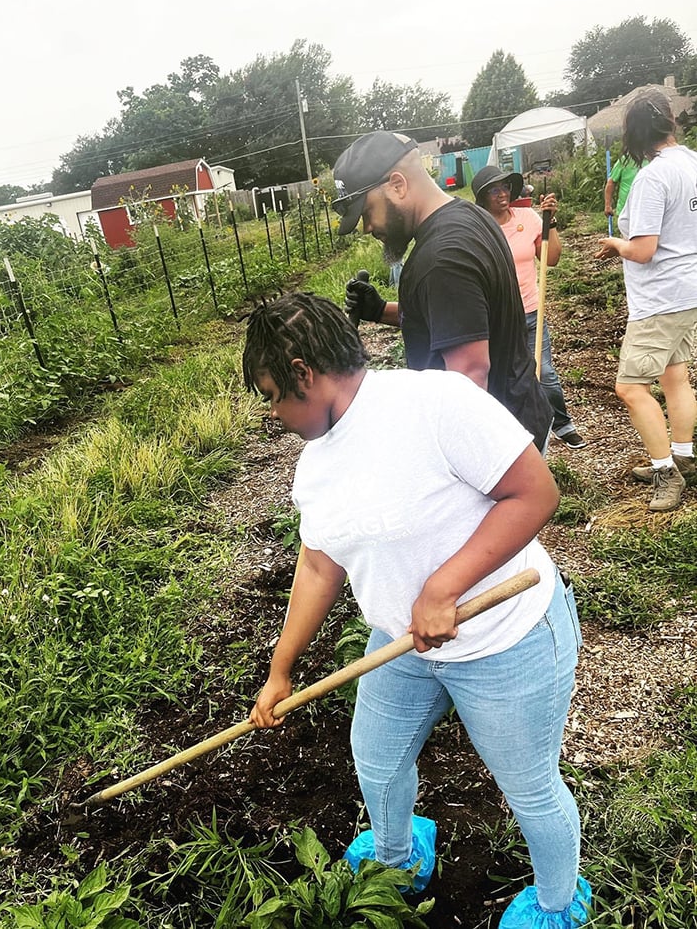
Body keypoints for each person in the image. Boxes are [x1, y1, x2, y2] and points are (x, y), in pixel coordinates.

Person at [243, 291, 592, 928]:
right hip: (400, 642)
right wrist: (280, 670)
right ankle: (400, 858)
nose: (274, 413)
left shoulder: (434, 403)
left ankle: (557, 903)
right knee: (376, 759)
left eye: (273, 394)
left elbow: (536, 492)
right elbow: (320, 563)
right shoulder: (316, 465)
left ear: (303, 373)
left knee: (531, 790)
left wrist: (443, 587)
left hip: (504, 639)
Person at [334, 131, 553, 455]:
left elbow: (468, 382)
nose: (367, 227)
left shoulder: (442, 259)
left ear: (397, 184)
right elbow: (462, 319)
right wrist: (380, 310)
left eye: (366, 212)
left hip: (496, 452)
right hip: (521, 412)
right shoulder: (469, 215)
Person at [595, 91, 697, 512]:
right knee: (675, 375)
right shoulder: (691, 162)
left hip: (659, 297)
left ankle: (665, 473)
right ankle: (684, 457)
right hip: (688, 288)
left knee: (630, 387)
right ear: (669, 123)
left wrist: (614, 243)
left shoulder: (653, 177)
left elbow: (643, 249)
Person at [472, 165, 586, 449]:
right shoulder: (479, 227)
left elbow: (552, 259)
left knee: (544, 372)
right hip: (497, 316)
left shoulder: (528, 218)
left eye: (506, 187)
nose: (502, 194)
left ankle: (561, 423)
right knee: (501, 373)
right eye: (495, 190)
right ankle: (510, 431)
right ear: (483, 197)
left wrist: (551, 221)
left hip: (531, 311)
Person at [604, 154, 647, 230]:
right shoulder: (624, 160)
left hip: (646, 209)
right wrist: (608, 205)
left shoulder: (654, 159)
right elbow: (611, 182)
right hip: (625, 210)